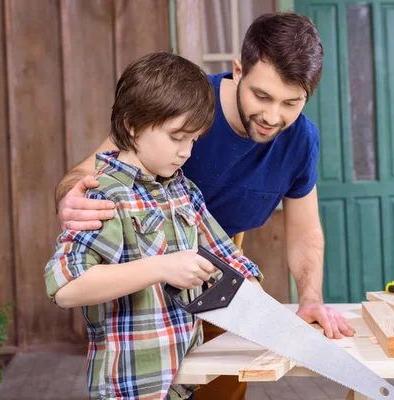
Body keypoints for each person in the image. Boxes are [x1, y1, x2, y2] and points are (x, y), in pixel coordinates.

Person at [55, 12, 356, 400]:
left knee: (222, 390)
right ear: (237, 71)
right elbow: (92, 171)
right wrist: (70, 195)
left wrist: (309, 300)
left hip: (217, 267)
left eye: (290, 103)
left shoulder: (300, 140)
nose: (272, 116)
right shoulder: (187, 106)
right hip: (144, 281)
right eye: (261, 96)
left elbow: (305, 230)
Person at [44, 52, 262, 400]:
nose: (186, 152)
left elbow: (229, 260)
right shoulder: (105, 195)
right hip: (131, 388)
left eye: (193, 140)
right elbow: (66, 287)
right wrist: (161, 267)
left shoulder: (184, 190)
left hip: (180, 385)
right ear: (132, 125)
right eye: (177, 137)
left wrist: (268, 311)